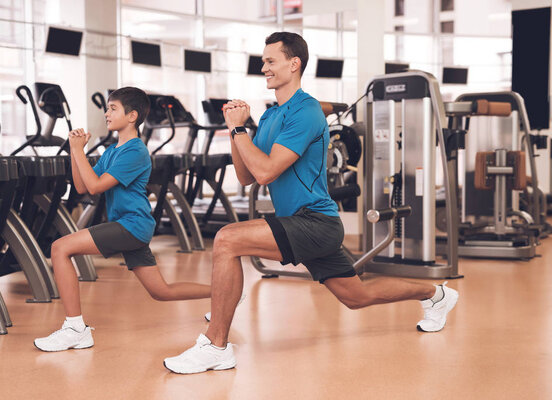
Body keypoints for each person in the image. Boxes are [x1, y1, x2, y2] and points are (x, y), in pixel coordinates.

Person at [163, 32, 459, 374]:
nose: (264, 68)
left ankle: (216, 346)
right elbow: (245, 175)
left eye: (270, 61)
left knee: (228, 240)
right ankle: (436, 295)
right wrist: (235, 130)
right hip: (302, 223)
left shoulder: (305, 112)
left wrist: (241, 131)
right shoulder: (273, 116)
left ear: (294, 64)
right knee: (356, 297)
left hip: (315, 223)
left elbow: (266, 173)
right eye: (263, 61)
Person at [34, 87, 211, 352]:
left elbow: (95, 187)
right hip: (130, 226)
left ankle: (75, 328)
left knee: (60, 248)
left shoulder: (135, 151)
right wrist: (74, 150)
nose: (106, 113)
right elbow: (82, 186)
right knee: (160, 291)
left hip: (130, 224)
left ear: (132, 116)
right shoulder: (112, 151)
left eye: (112, 108)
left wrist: (79, 151)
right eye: (107, 108)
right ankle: (225, 292)